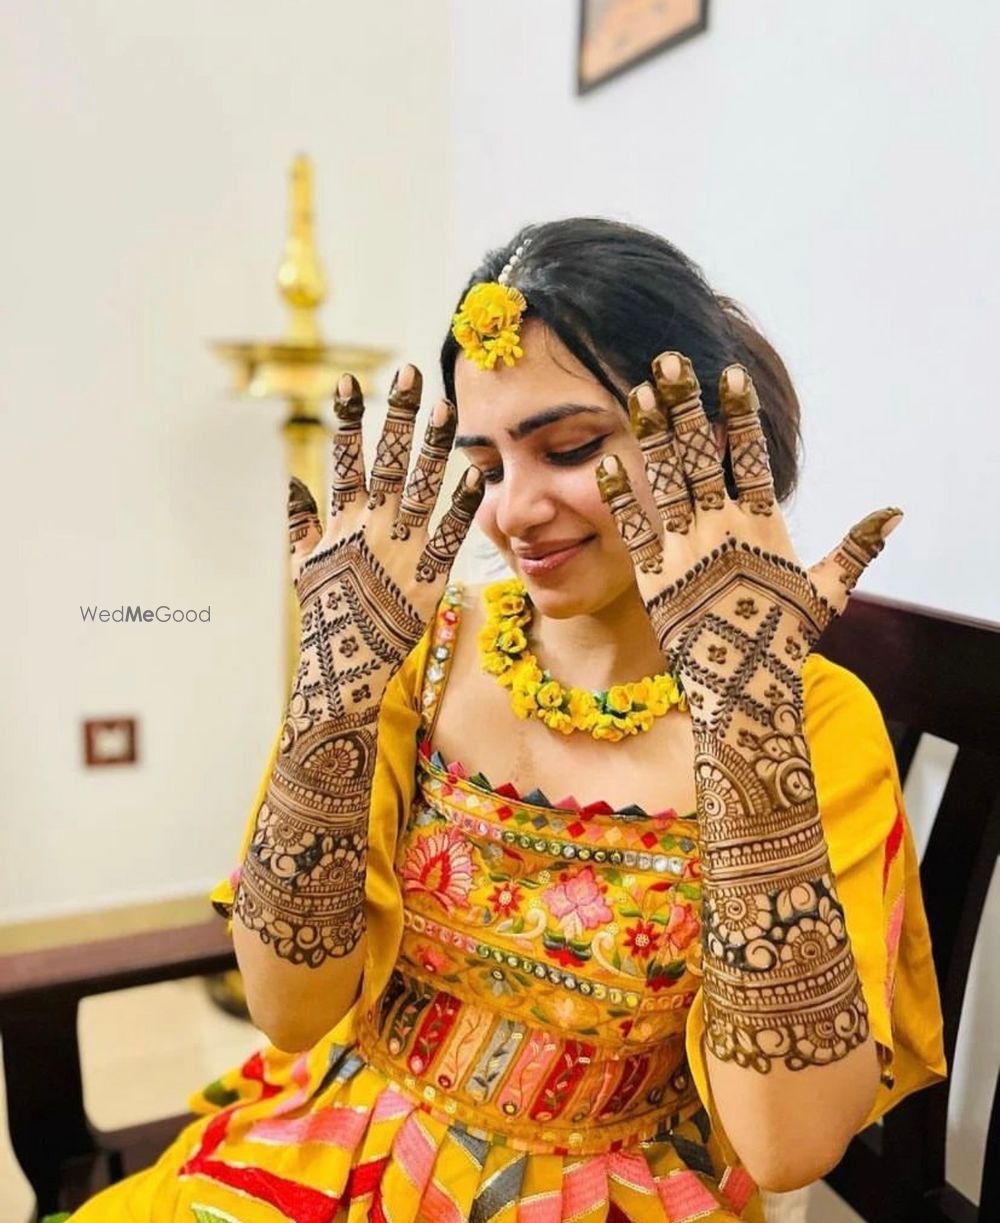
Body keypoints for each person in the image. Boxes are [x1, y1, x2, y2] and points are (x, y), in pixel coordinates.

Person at [65, 217, 945, 1222]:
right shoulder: (418, 649)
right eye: (483, 464)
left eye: (566, 448)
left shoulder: (803, 714)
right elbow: (290, 1009)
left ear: (694, 437)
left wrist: (742, 722)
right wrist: (333, 696)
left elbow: (786, 1144)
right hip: (340, 1145)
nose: (511, 510)